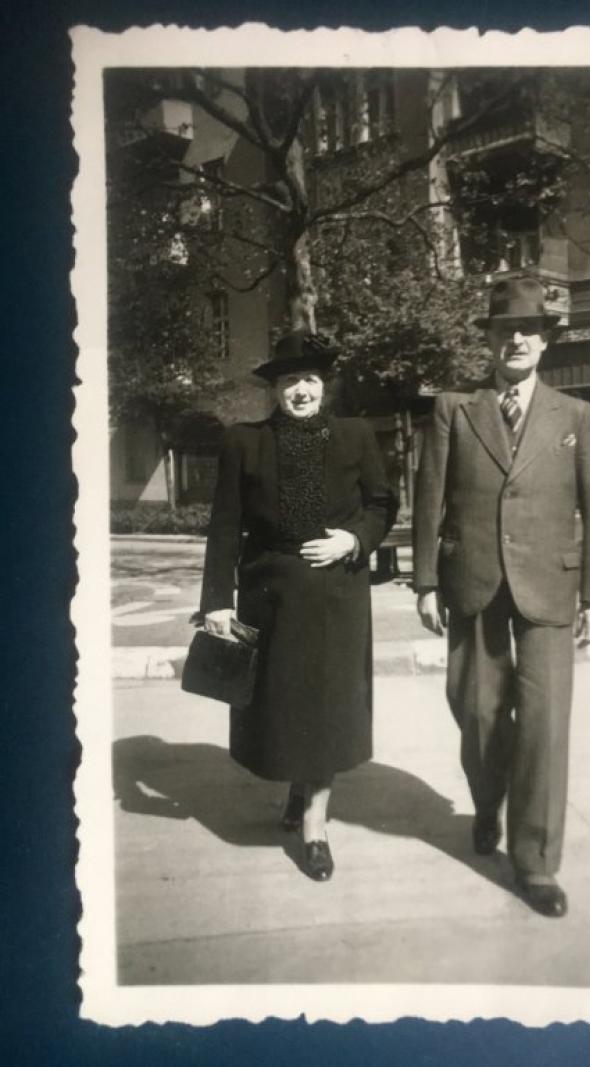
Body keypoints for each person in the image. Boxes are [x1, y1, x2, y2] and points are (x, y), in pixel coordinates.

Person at [412, 276, 590, 918]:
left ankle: (536, 861)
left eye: (529, 330)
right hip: (471, 578)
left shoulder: (575, 416)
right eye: (506, 330)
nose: (518, 340)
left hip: (550, 584)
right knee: (477, 712)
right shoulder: (455, 409)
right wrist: (425, 581)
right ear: (490, 341)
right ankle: (488, 798)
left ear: (546, 341)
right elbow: (429, 498)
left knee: (545, 725)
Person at [199, 331, 396, 882]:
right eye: (290, 381)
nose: (301, 391)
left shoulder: (355, 435)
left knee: (327, 709)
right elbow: (224, 525)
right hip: (271, 597)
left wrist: (353, 540)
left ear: (324, 385)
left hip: (337, 595)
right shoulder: (245, 442)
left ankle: (315, 826)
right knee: (285, 707)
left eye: (309, 379)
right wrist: (216, 601)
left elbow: (382, 504)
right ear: (275, 389)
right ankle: (298, 785)